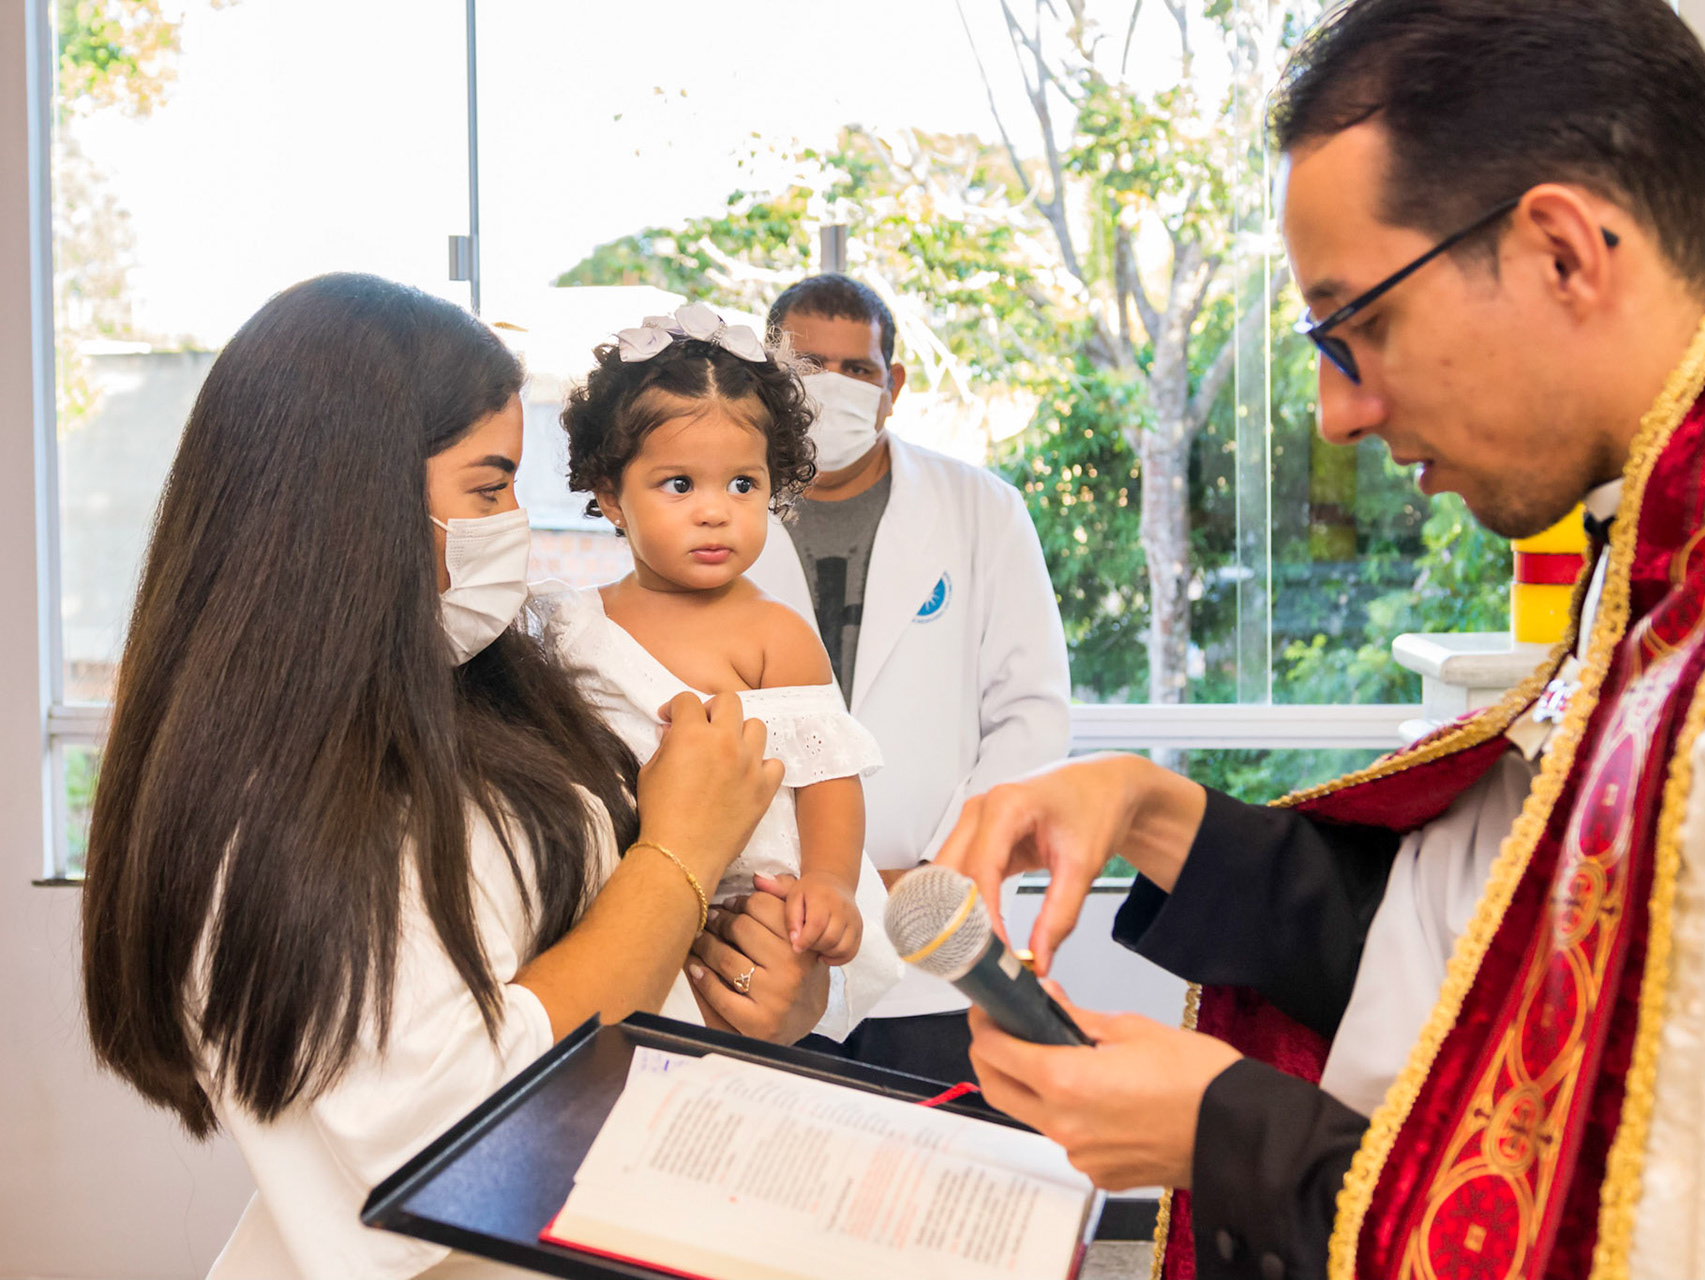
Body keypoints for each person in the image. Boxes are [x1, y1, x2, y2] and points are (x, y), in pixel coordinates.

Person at [937, 2, 1705, 1278]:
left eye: (1361, 327)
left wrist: (1234, 1134)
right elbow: (1492, 973)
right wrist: (1150, 811)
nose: (1340, 413)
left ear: (1561, 251)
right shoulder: (1691, 537)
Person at [79, 275, 830, 1280]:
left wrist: (759, 983)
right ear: (353, 500)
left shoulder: (487, 686)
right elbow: (454, 1124)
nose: (513, 521)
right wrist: (679, 855)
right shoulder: (260, 796)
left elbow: (617, 938)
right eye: (488, 485)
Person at [538, 302, 901, 1039]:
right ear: (610, 495)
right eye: (680, 486)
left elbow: (829, 775)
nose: (716, 513)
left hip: (745, 920)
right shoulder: (569, 627)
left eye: (743, 485)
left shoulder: (774, 633)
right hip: (610, 911)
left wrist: (830, 883)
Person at [747, 273, 1073, 1085]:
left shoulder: (982, 510)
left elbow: (1031, 715)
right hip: (772, 928)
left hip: (938, 932)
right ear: (766, 374)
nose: (830, 387)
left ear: (892, 387)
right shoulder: (721, 515)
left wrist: (933, 872)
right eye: (805, 365)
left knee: (942, 1167)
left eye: (855, 370)